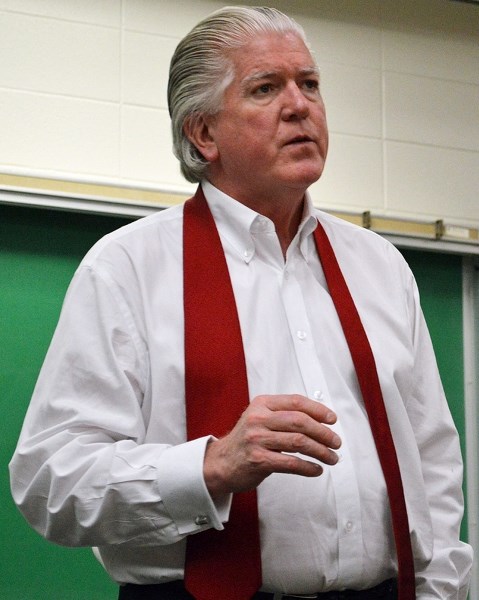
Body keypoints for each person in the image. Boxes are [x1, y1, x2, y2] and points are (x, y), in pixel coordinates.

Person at [9, 6, 472, 600]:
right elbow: (51, 482)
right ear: (203, 134)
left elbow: (433, 463)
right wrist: (212, 468)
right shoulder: (128, 267)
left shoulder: (379, 265)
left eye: (309, 84)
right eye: (265, 88)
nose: (299, 105)